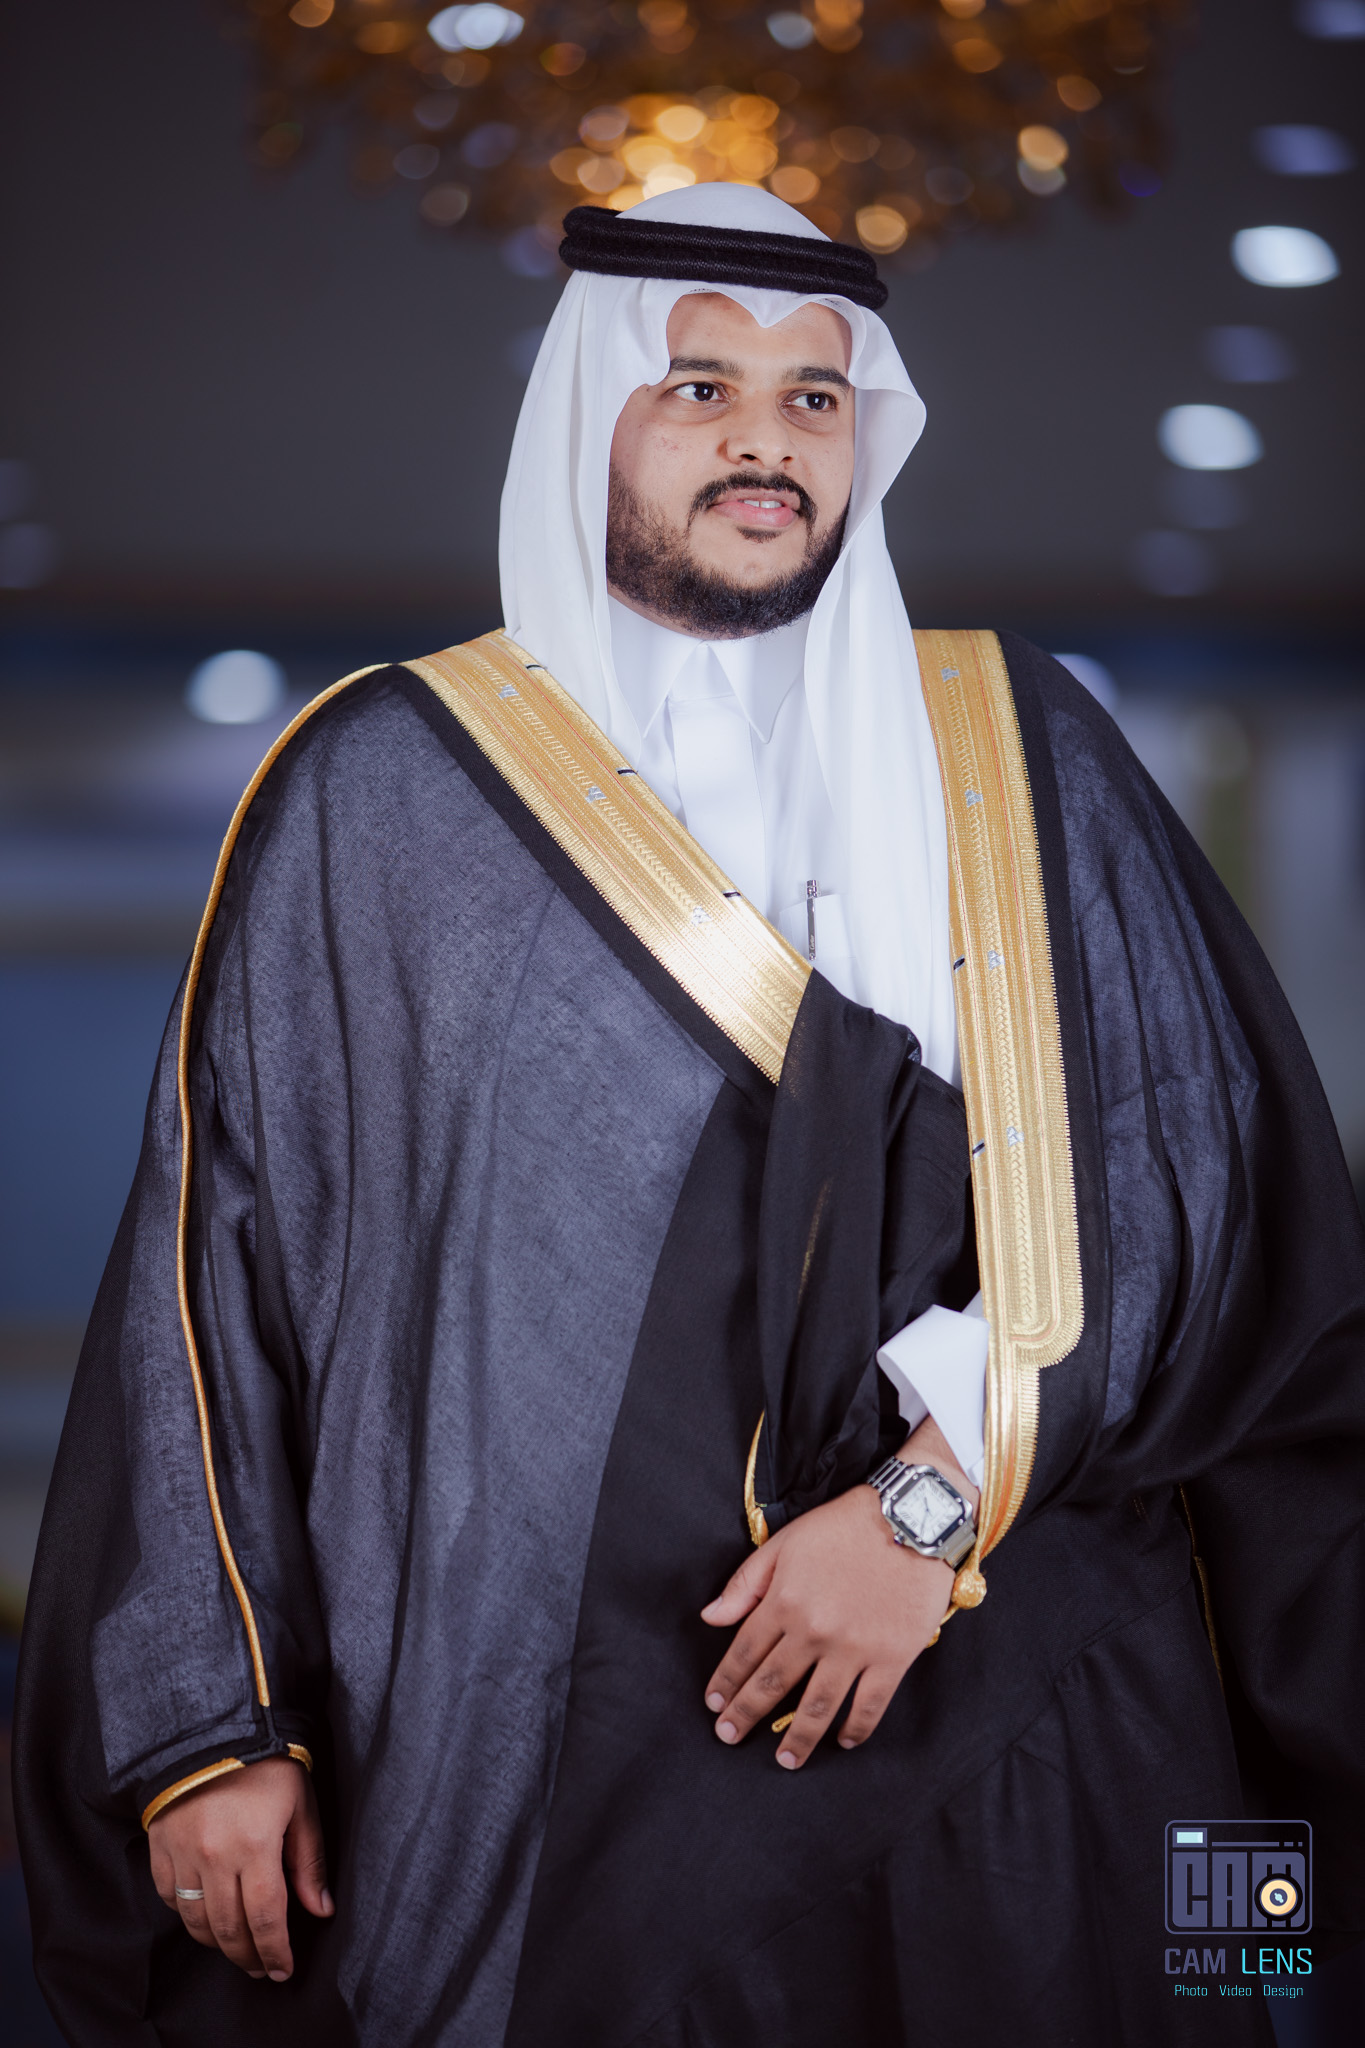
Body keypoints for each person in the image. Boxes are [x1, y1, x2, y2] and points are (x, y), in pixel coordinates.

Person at [15, 183, 1365, 2048]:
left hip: (1025, 1649)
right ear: (591, 417)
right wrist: (213, 1726)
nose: (765, 439)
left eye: (814, 398)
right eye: (700, 387)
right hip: (556, 1714)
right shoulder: (385, 787)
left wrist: (923, 1512)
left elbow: (1197, 1179)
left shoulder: (1021, 741)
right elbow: (216, 1268)